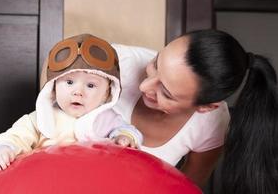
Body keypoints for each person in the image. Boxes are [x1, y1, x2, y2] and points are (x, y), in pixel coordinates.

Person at [111, 29, 278, 192]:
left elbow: (187, 188)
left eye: (166, 93)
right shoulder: (117, 62)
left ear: (206, 107)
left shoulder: (212, 124)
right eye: (155, 63)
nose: (144, 86)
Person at [0, 34, 143, 172]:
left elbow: (127, 131)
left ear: (106, 94)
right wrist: (3, 149)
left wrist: (124, 137)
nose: (78, 92)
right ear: (53, 87)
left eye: (90, 85)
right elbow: (15, 136)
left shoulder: (106, 119)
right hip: (48, 180)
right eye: (69, 82)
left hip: (93, 181)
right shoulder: (42, 118)